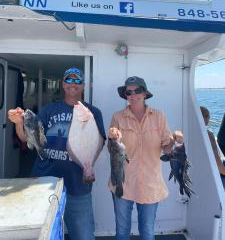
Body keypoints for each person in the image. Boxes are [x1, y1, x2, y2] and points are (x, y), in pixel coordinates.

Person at [8, 67, 106, 240]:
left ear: (83, 85)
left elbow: (99, 142)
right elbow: (26, 137)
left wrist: (87, 166)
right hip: (45, 182)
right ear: (63, 84)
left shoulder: (93, 113)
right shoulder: (48, 110)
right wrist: (18, 123)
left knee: (83, 236)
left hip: (78, 185)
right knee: (43, 235)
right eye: (69, 80)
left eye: (77, 81)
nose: (73, 84)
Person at [108, 76, 183, 240]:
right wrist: (113, 138)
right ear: (126, 95)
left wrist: (175, 141)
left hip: (150, 184)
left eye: (137, 91)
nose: (133, 95)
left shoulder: (159, 116)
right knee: (122, 231)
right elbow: (112, 150)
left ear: (145, 93)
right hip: (123, 182)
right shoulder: (118, 117)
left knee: (147, 231)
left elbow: (166, 148)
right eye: (129, 92)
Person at [200, 106, 225, 189]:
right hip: (212, 174)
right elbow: (217, 161)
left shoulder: (188, 134)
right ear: (205, 117)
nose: (209, 118)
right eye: (207, 116)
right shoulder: (208, 135)